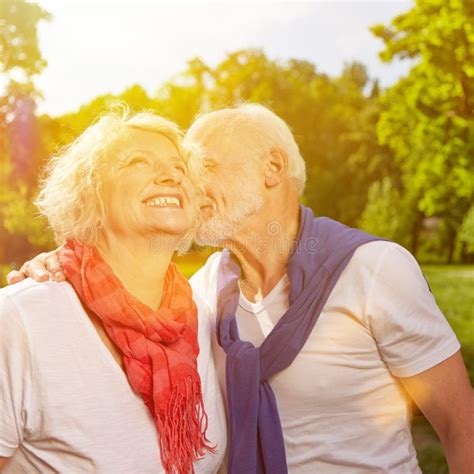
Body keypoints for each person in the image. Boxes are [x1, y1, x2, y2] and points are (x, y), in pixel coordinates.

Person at [8, 104, 473, 474]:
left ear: (272, 167)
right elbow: (119, 291)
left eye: (201, 165)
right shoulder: (204, 291)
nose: (190, 183)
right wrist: (62, 264)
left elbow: (460, 424)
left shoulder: (373, 268)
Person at [0, 110, 226, 473]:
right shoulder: (19, 320)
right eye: (138, 161)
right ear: (90, 195)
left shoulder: (202, 315)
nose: (170, 175)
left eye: (180, 168)